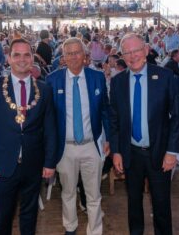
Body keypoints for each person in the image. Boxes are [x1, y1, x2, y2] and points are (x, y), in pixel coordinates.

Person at [0, 38, 57, 235]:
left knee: (29, 215)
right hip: (2, 165)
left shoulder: (44, 89)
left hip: (33, 163)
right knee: (2, 217)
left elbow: (50, 129)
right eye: (17, 55)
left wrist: (49, 162)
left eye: (27, 54)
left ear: (33, 58)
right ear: (9, 59)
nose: (22, 59)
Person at [110, 34, 179, 235]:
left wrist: (172, 151)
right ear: (122, 56)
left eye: (136, 51)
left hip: (160, 153)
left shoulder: (165, 76)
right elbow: (114, 120)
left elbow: (177, 117)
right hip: (130, 153)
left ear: (146, 50)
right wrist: (116, 151)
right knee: (133, 202)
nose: (132, 56)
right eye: (127, 52)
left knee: (161, 203)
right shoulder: (117, 82)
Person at [46, 37, 110, 235]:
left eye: (77, 52)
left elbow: (106, 110)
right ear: (63, 57)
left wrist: (108, 139)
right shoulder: (52, 80)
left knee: (94, 194)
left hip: (92, 145)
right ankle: (70, 227)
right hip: (65, 147)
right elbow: (48, 118)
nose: (73, 57)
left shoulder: (97, 77)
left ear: (85, 55)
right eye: (69, 53)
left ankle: (95, 230)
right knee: (68, 192)